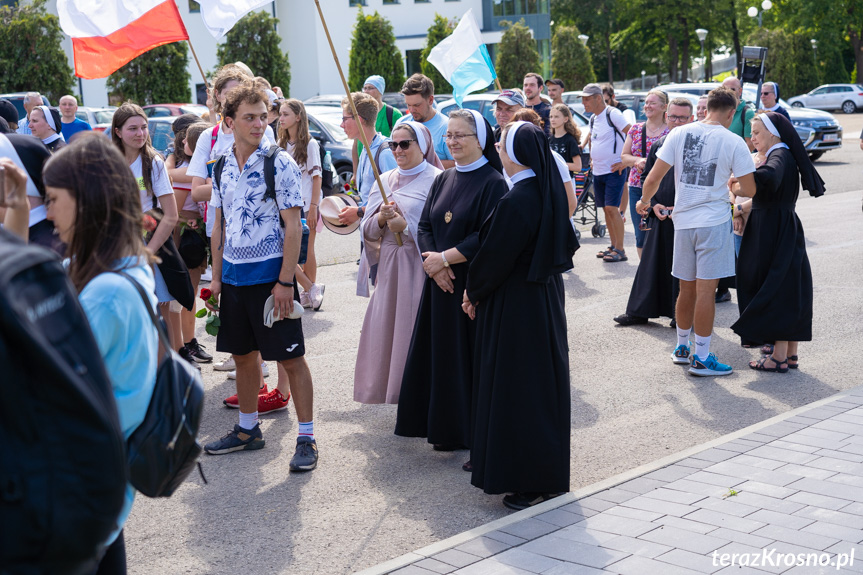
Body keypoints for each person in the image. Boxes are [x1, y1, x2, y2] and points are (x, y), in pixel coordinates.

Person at [43, 135, 159, 575]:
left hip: (79, 491)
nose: (48, 212)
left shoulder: (106, 295)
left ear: (87, 201)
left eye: (54, 200)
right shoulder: (125, 268)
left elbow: (45, 394)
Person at [203, 82, 318, 472]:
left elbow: (293, 227)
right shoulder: (219, 166)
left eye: (263, 115)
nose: (258, 123)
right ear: (228, 121)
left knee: (291, 359)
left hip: (271, 279)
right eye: (249, 117)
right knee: (243, 357)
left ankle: (306, 437)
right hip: (233, 279)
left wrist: (285, 281)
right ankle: (248, 430)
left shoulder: (278, 161)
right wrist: (216, 279)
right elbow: (217, 226)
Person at [464, 121, 577, 510]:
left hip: (514, 305)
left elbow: (494, 256)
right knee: (541, 387)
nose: (496, 145)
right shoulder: (543, 191)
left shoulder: (517, 199)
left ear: (515, 153)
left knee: (518, 390)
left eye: (502, 141)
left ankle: (526, 480)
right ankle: (543, 474)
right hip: (542, 299)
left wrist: (472, 291)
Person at [396, 109, 506, 453]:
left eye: (461, 136)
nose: (453, 142)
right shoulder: (444, 178)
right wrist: (434, 264)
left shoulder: (494, 183)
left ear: (480, 141)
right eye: (449, 136)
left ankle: (467, 429)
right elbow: (427, 225)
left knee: (467, 359)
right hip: (439, 283)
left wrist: (446, 259)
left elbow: (489, 235)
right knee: (441, 356)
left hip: (470, 286)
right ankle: (442, 427)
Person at [637, 87, 756, 377]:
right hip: (713, 222)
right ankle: (702, 356)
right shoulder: (734, 140)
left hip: (683, 221)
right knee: (706, 291)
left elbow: (654, 176)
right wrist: (732, 186)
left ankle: (681, 347)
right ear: (731, 113)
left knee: (686, 288)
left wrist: (643, 201)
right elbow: (751, 188)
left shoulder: (679, 133)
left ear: (708, 108)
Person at [188, 65, 275, 376]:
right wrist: (227, 183)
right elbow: (196, 190)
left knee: (262, 304)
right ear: (219, 101)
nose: (232, 98)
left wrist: (238, 182)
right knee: (214, 293)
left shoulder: (262, 131)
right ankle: (206, 350)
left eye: (238, 92)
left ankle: (261, 363)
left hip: (258, 232)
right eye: (226, 95)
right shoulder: (207, 138)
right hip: (219, 228)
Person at [353, 122, 443, 404]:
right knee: (389, 329)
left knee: (413, 327)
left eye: (405, 144)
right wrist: (380, 218)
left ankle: (420, 395)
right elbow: (366, 231)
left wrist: (406, 226)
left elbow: (443, 231)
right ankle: (394, 393)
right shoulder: (386, 178)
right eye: (394, 144)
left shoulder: (438, 180)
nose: (398, 150)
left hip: (420, 266)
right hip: (391, 267)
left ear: (423, 145)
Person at [731, 112, 823, 372]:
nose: (753, 138)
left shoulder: (779, 155)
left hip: (772, 228)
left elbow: (767, 180)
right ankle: (790, 354)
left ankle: (778, 357)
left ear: (773, 133)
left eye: (758, 133)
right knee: (788, 286)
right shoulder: (781, 154)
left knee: (775, 288)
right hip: (779, 225)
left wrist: (739, 186)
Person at [614, 98, 694, 327]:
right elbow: (649, 178)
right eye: (673, 117)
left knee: (682, 270)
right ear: (667, 117)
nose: (677, 122)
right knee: (650, 266)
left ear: (691, 120)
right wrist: (653, 204)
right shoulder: (659, 145)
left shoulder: (696, 147)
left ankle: (680, 314)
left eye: (682, 118)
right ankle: (639, 311)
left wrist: (679, 207)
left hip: (685, 216)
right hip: (659, 214)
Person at [111, 103, 183, 355]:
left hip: (150, 246)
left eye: (143, 127)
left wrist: (148, 253)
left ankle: (168, 377)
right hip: (117, 247)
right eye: (132, 129)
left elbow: (171, 215)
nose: (140, 133)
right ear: (118, 132)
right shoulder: (108, 162)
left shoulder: (153, 163)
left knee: (158, 315)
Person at [166, 117, 212, 369]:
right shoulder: (181, 169)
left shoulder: (184, 168)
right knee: (182, 296)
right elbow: (171, 208)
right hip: (183, 239)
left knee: (187, 295)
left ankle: (187, 343)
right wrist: (191, 217)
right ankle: (183, 346)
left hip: (192, 238)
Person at [278, 98, 325, 310]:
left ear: (298, 117)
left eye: (285, 114)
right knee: (286, 249)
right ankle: (311, 288)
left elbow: (317, 177)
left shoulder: (310, 144)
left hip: (307, 203)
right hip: (285, 206)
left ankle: (307, 292)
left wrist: (314, 207)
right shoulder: (279, 145)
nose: (281, 118)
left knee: (307, 250)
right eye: (280, 114)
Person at [582, 83, 632, 262]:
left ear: (597, 98)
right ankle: (613, 246)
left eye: (587, 99)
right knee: (606, 210)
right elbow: (594, 139)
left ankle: (621, 250)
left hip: (613, 170)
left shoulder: (613, 114)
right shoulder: (594, 118)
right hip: (600, 171)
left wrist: (625, 160)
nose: (583, 103)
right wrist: (593, 159)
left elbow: (632, 133)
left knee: (612, 208)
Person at [620, 90, 669, 259]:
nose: (647, 106)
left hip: (663, 187)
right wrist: (636, 161)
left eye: (652, 103)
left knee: (661, 234)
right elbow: (624, 156)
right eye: (646, 102)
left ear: (664, 107)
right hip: (637, 187)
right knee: (641, 235)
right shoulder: (636, 129)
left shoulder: (671, 131)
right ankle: (645, 276)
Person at [338, 92, 397, 229]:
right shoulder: (365, 149)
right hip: (369, 229)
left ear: (359, 120)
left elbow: (395, 201)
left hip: (385, 234)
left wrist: (359, 212)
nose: (341, 125)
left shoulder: (385, 153)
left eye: (344, 119)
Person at [514, 107, 578, 215]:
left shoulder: (565, 146)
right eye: (551, 117)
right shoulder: (550, 140)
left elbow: (577, 166)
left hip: (566, 183)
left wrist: (552, 165)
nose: (552, 119)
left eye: (556, 117)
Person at [396, 74, 455, 169]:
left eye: (417, 105)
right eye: (408, 105)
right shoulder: (401, 123)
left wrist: (418, 162)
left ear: (430, 100)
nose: (411, 110)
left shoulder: (446, 127)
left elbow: (456, 163)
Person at [354, 74, 402, 165]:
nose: (366, 91)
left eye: (370, 88)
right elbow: (356, 144)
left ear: (380, 90)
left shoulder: (393, 114)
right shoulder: (359, 113)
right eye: (365, 88)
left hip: (384, 164)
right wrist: (355, 172)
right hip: (364, 164)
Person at [723, 76, 755, 152]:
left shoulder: (748, 113)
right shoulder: (720, 110)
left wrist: (731, 159)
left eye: (732, 89)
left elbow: (751, 144)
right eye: (724, 89)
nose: (728, 92)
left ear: (740, 91)